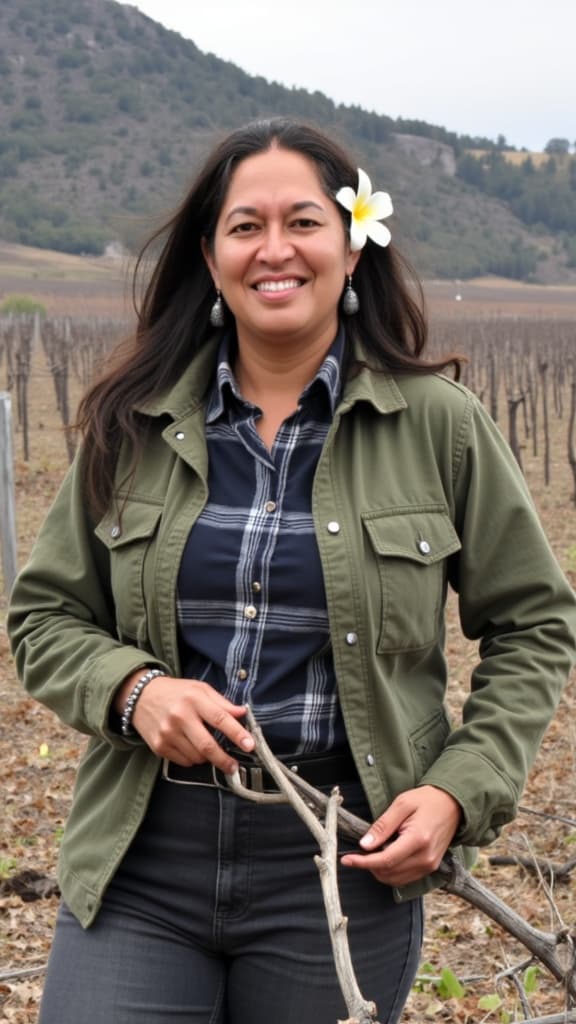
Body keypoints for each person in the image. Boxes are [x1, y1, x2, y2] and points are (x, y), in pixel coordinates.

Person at [7, 117, 576, 1024]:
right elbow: (43, 616)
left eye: (304, 222)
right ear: (212, 256)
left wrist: (457, 791)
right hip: (142, 853)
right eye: (246, 226)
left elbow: (535, 624)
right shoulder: (133, 421)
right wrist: (135, 690)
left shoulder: (441, 425)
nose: (275, 250)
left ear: (352, 247)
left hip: (343, 853)